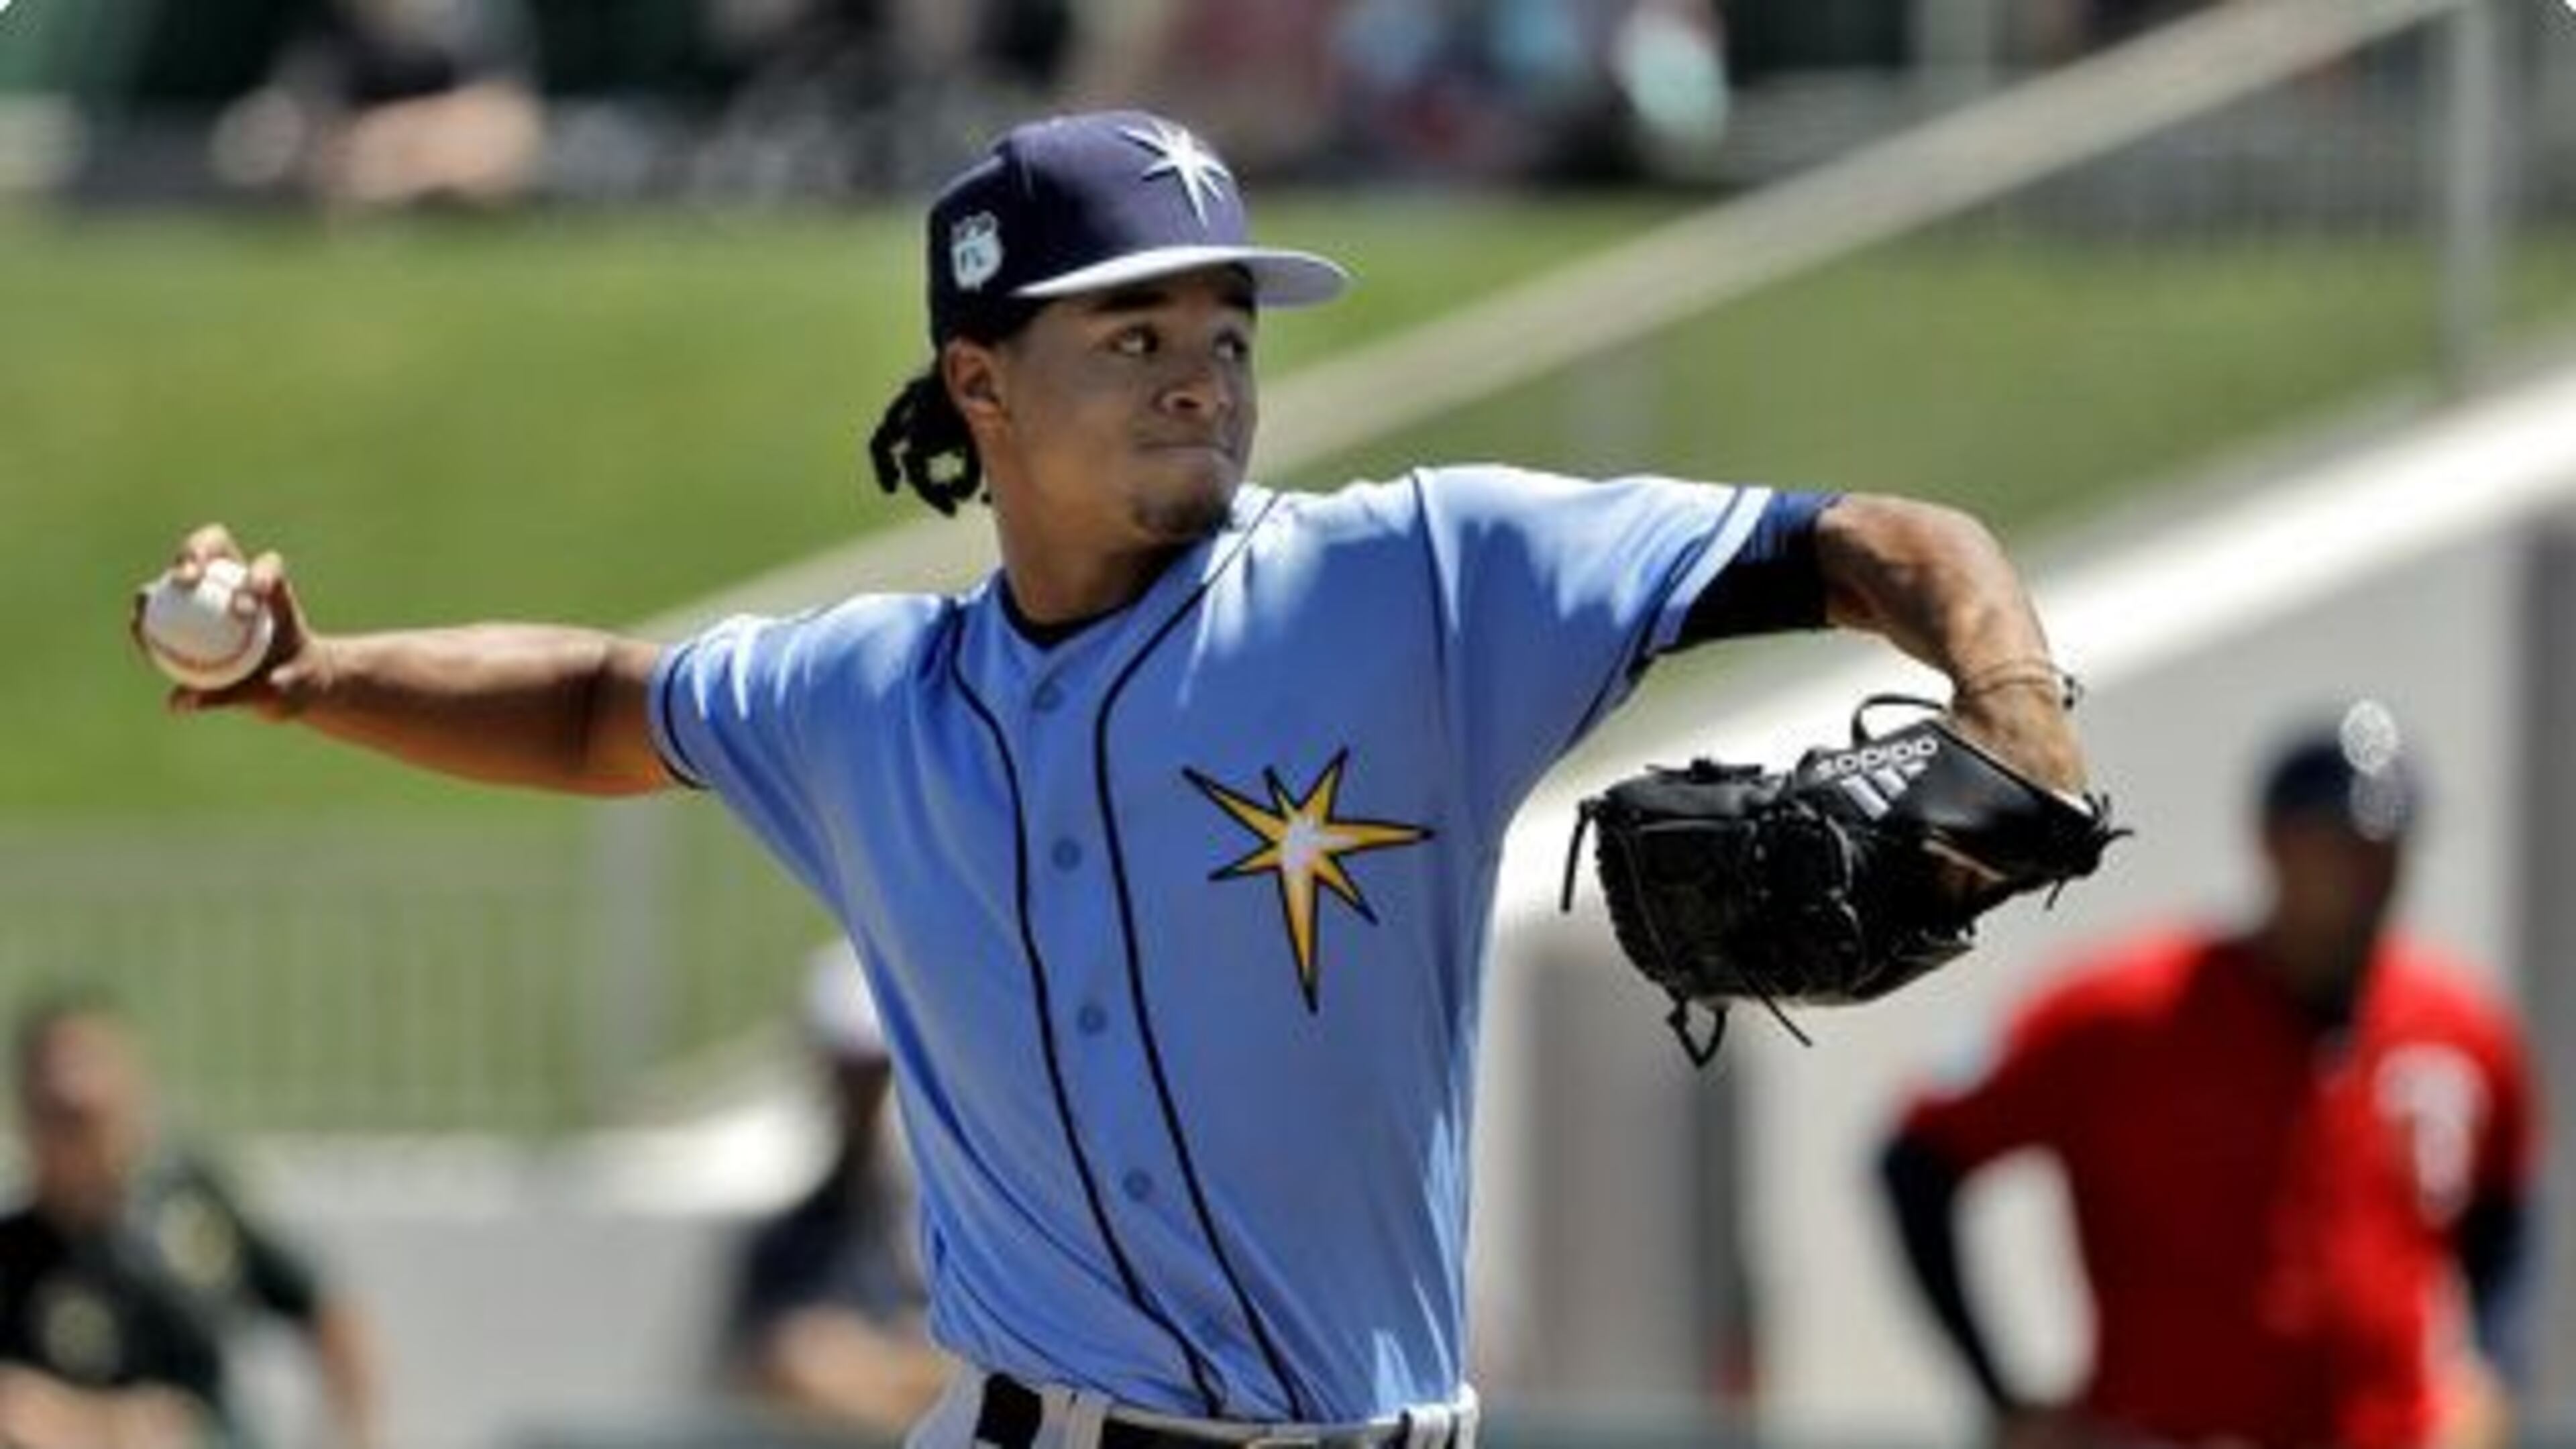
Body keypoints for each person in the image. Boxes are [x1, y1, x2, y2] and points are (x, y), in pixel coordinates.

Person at [145, 107, 2090, 1447]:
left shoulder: (1418, 578)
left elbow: (1875, 538)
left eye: (1226, 334)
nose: (1202, 376)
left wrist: (2014, 699)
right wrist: (317, 680)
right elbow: (597, 704)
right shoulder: (872, 700)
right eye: (1135, 330)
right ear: (978, 384)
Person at [1878, 702, 2537, 1449]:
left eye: (2384, 848)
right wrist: (2004, 1396)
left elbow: (2507, 1210)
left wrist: (2493, 1367)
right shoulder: (2127, 1011)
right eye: (2338, 847)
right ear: (2273, 846)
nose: (2366, 875)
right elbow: (1917, 1158)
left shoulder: (2459, 1026)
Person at [0, 994, 382, 1449]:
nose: (82, 1139)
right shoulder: (14, 1258)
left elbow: (325, 1309)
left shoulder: (191, 1208)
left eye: (93, 1116)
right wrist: (100, 1427)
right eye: (61, 1118)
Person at [720, 945, 951, 1434]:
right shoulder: (800, 1236)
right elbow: (774, 1365)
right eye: (852, 1074)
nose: (866, 1096)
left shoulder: (984, 1232)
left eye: (879, 1072)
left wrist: (866, 1364)